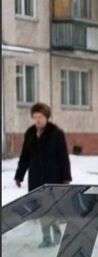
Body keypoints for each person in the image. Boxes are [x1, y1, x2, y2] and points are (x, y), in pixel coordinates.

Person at [14, 102, 72, 247]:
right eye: (35, 117)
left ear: (46, 117)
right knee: (40, 209)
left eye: (40, 117)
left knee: (52, 208)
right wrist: (19, 175)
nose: (37, 120)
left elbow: (63, 157)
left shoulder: (56, 133)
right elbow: (25, 156)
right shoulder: (30, 133)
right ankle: (46, 238)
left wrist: (66, 177)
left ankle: (57, 238)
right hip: (36, 178)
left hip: (53, 177)